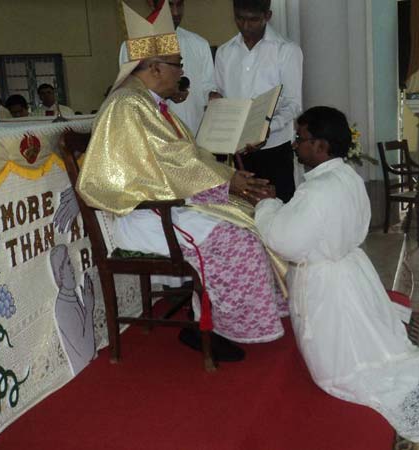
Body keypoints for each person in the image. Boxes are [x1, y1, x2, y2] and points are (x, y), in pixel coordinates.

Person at [76, 0, 289, 362]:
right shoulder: (128, 105)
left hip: (167, 205)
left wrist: (233, 181)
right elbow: (172, 162)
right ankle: (214, 326)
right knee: (237, 239)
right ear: (155, 67)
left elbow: (184, 156)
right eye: (178, 65)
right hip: (145, 213)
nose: (181, 73)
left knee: (250, 217)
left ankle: (210, 319)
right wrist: (228, 182)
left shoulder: (148, 102)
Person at [251, 106, 419, 442]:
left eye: (300, 138)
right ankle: (416, 368)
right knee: (367, 340)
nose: (295, 145)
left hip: (324, 284)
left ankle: (409, 376)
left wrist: (267, 205)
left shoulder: (316, 190)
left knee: (336, 371)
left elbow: (285, 241)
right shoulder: (347, 177)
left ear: (321, 145)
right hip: (349, 271)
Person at [215, 0, 303, 203]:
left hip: (274, 149)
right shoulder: (225, 52)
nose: (246, 26)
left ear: (267, 16)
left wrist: (268, 128)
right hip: (238, 151)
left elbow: (293, 104)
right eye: (240, 18)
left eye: (253, 20)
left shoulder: (286, 50)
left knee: (278, 206)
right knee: (244, 209)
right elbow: (221, 97)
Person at [118, 0, 220, 134]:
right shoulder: (134, 46)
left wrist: (212, 96)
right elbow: (131, 93)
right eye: (169, 5)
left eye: (179, 4)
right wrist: (166, 93)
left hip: (194, 132)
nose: (175, 12)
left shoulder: (199, 44)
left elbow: (208, 87)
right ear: (152, 4)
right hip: (152, 135)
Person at [50, 245, 95, 374]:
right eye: (68, 264)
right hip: (85, 373)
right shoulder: (63, 306)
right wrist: (89, 310)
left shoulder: (72, 296)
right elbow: (87, 352)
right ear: (60, 273)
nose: (72, 269)